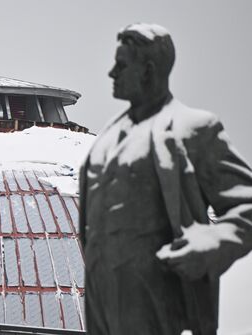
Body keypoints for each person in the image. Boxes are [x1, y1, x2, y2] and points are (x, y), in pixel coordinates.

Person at [79, 23, 252, 335]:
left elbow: (247, 206)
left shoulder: (195, 130)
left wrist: (211, 244)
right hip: (100, 301)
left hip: (157, 302)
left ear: (147, 71)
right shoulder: (104, 138)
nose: (111, 74)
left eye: (121, 65)